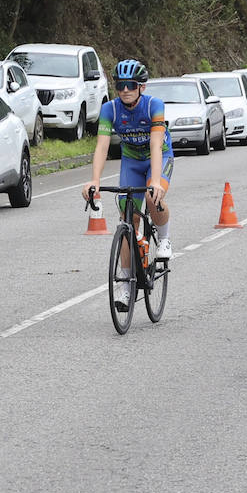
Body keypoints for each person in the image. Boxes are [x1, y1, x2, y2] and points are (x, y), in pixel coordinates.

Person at [82, 59, 173, 313]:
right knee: (127, 221)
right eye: (120, 85)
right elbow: (101, 146)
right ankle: (124, 284)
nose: (124, 90)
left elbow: (156, 143)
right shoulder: (110, 110)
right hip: (131, 161)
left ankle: (164, 240)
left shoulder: (154, 105)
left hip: (159, 156)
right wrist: (95, 182)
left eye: (130, 85)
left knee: (155, 198)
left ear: (141, 87)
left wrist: (155, 182)